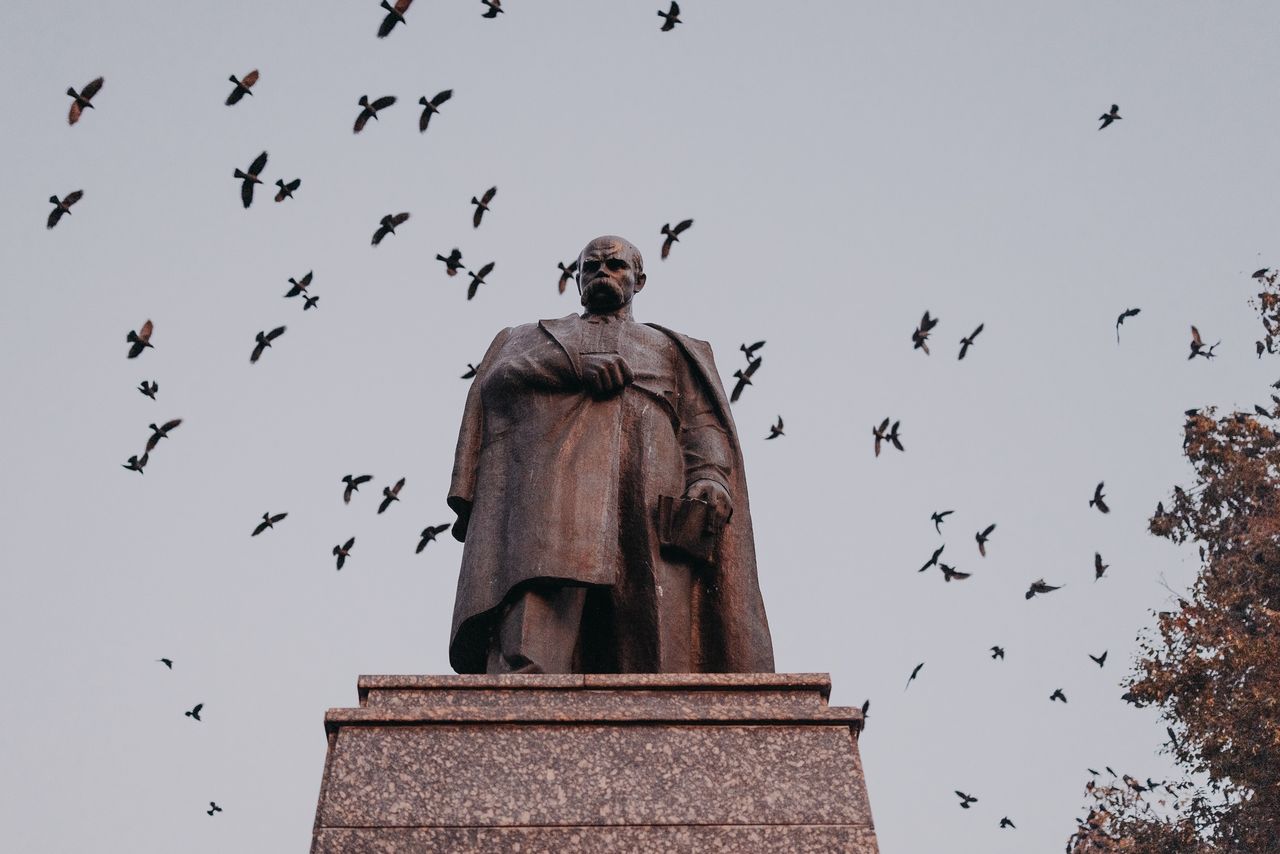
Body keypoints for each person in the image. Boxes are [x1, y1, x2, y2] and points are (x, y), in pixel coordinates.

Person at [446, 235, 773, 674]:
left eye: (615, 265)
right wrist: (574, 366)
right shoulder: (529, 336)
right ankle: (523, 706)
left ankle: (660, 714)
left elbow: (701, 422)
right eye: (591, 266)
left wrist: (710, 477)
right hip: (555, 488)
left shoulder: (673, 348)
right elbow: (497, 382)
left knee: (652, 609)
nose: (602, 273)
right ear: (576, 278)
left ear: (639, 279)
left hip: (649, 481)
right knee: (539, 612)